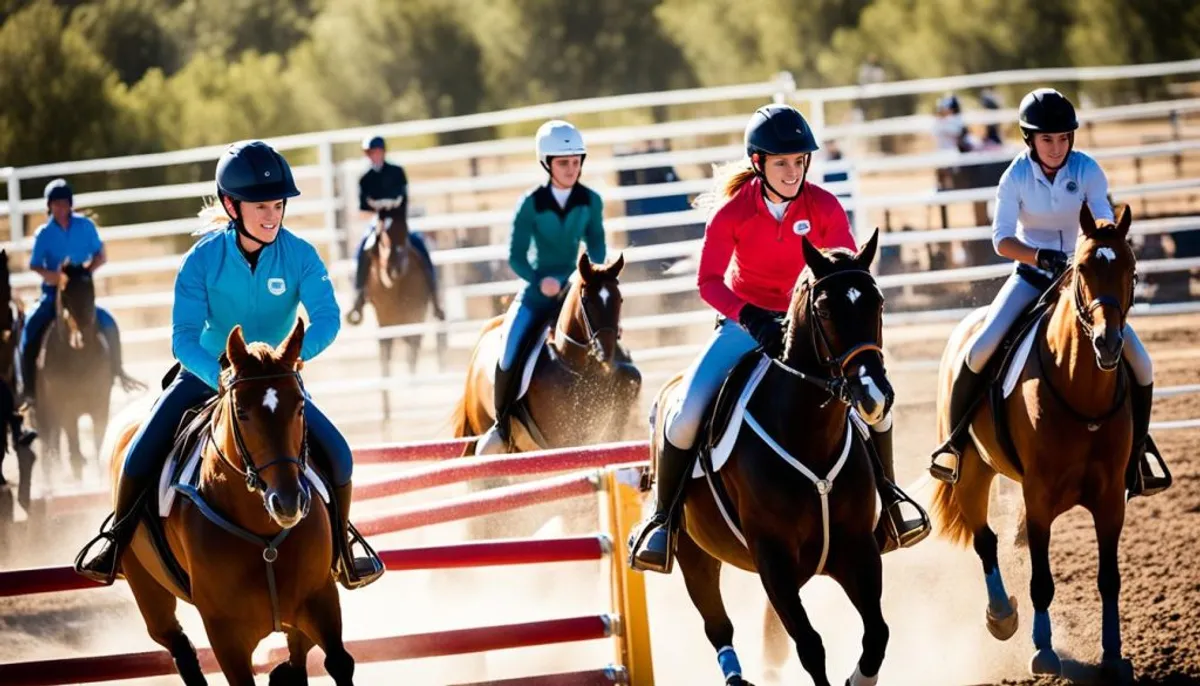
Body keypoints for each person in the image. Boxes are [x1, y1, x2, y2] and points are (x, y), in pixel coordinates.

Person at [628, 104, 926, 574]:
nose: (793, 171)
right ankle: (664, 521)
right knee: (684, 416)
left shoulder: (824, 205)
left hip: (811, 329)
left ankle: (890, 503)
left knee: (875, 405)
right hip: (747, 325)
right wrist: (750, 316)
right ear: (758, 163)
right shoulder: (732, 214)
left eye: (799, 161)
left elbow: (844, 266)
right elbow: (708, 282)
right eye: (781, 162)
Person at [74, 140, 384, 589]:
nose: (272, 215)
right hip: (207, 376)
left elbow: (329, 320)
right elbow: (182, 338)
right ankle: (116, 544)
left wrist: (289, 361)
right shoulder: (201, 260)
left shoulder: (300, 255)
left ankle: (342, 551)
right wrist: (220, 375)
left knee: (338, 454)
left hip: (276, 380)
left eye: (277, 204)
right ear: (231, 206)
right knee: (139, 454)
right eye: (260, 206)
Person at [929, 88, 1165, 498]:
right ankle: (953, 446)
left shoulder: (1088, 170)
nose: (1056, 148)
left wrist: (1078, 257)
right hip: (1032, 277)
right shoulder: (1015, 176)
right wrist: (1041, 257)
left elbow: (1104, 227)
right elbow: (1002, 240)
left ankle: (1138, 453)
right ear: (1030, 141)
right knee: (980, 348)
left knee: (1141, 363)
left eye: (1063, 139)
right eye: (1046, 139)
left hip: (1084, 280)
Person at [474, 120, 606, 456]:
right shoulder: (530, 203)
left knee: (608, 339)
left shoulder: (591, 201)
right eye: (564, 163)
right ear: (546, 164)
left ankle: (615, 412)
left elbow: (599, 248)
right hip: (536, 294)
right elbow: (515, 256)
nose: (571, 169)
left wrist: (589, 275)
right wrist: (539, 280)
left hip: (573, 292)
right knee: (508, 354)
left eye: (576, 162)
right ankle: (501, 426)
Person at [19, 179, 139, 406]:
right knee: (31, 329)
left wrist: (84, 275)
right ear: (50, 206)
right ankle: (29, 391)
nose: (61, 208)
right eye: (56, 204)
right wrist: (57, 278)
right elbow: (35, 264)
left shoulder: (85, 227)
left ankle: (117, 371)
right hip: (53, 295)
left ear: (70, 204)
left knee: (109, 323)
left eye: (64, 203)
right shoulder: (44, 234)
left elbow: (100, 255)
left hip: (81, 294)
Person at [345, 134, 443, 324]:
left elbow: (404, 198)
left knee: (420, 247)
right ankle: (358, 298)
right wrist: (379, 207)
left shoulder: (397, 172)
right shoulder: (365, 178)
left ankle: (435, 298)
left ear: (383, 152)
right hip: (378, 221)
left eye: (377, 151)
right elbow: (363, 207)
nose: (374, 155)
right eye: (371, 152)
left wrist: (391, 205)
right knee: (362, 250)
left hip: (399, 221)